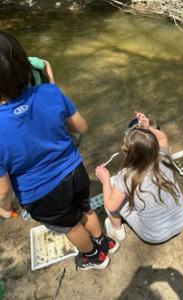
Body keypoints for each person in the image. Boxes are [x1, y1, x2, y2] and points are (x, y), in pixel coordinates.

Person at [0, 31, 117, 270]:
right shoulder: (50, 92)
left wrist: (4, 207)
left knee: (72, 226)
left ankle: (94, 256)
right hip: (75, 172)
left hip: (41, 193)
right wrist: (52, 88)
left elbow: (3, 188)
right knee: (85, 208)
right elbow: (81, 127)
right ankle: (105, 241)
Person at [95, 113, 183, 244]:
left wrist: (104, 180)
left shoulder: (126, 176)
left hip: (155, 235)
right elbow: (162, 138)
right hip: (182, 220)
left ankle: (116, 229)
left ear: (128, 154)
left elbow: (111, 206)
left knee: (111, 185)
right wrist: (148, 130)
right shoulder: (163, 158)